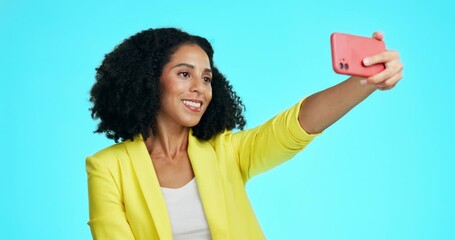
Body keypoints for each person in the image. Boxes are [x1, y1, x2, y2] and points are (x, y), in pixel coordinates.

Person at [86, 27, 403, 240]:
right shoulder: (107, 168)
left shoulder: (226, 153)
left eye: (207, 78)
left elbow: (294, 127)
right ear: (148, 81)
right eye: (184, 74)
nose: (200, 87)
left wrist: (365, 82)